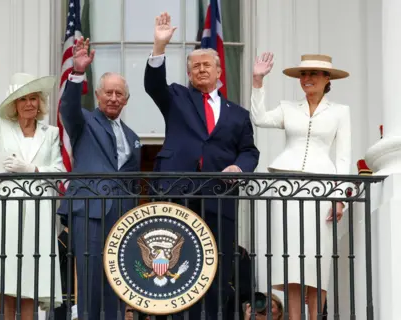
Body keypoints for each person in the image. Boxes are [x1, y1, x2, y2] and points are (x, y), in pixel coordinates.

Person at [144, 12, 260, 319]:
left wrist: (239, 168)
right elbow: (153, 84)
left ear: (219, 70)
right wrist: (159, 45)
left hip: (219, 198)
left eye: (206, 64)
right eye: (195, 66)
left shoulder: (238, 113)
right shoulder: (178, 98)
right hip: (176, 193)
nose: (200, 69)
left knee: (215, 269)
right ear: (189, 73)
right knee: (174, 268)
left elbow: (249, 151)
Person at [250, 52, 351, 319]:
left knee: (319, 262)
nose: (307, 79)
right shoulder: (287, 107)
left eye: (314, 74)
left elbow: (343, 157)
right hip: (288, 189)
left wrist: (339, 198)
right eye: (303, 74)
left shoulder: (341, 112)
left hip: (322, 190)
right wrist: (257, 81)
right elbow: (259, 118)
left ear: (327, 78)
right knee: (292, 263)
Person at [0, 53, 65, 318]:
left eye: (33, 97)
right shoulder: (2, 127)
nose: (29, 103)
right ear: (14, 104)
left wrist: (32, 169)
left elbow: (59, 171)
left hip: (38, 213)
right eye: (23, 99)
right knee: (5, 276)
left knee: (31, 280)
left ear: (40, 102)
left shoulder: (51, 133)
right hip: (6, 212)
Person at [57, 37, 141, 320]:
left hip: (121, 216)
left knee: (118, 280)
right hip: (90, 210)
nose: (114, 98)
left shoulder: (132, 137)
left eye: (119, 94)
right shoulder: (83, 121)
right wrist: (77, 72)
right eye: (108, 93)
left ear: (126, 100)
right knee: (90, 278)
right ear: (97, 95)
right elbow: (67, 108)